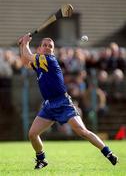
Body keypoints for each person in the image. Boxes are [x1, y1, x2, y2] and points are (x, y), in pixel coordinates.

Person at [18, 33, 118, 169]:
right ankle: (41, 159)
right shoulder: (39, 64)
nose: (47, 47)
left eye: (50, 46)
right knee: (32, 134)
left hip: (63, 102)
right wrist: (22, 45)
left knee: (82, 131)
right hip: (48, 105)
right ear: (40, 49)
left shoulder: (48, 60)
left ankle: (108, 153)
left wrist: (26, 43)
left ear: (52, 51)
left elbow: (29, 56)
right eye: (44, 45)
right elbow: (25, 62)